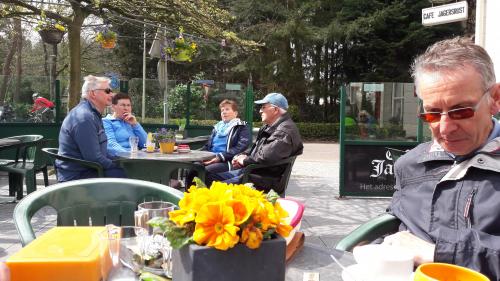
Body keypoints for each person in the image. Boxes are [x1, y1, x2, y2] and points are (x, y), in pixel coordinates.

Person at [383, 37, 500, 280]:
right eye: (432, 114)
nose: (445, 129)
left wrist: (439, 253)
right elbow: (398, 232)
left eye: (461, 111)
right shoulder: (409, 165)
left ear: (495, 99)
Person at [206, 92, 303, 194]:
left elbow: (266, 156)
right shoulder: (271, 127)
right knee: (208, 177)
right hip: (254, 173)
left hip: (262, 179)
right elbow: (256, 149)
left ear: (275, 110)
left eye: (263, 107)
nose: (260, 111)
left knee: (214, 186)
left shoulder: (283, 131)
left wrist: (245, 161)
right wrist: (241, 156)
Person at [56, 75, 126, 181]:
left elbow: (100, 153)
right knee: (130, 174)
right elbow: (94, 158)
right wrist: (118, 166)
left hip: (89, 170)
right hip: (78, 177)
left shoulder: (93, 115)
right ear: (93, 93)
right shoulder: (85, 118)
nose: (112, 94)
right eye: (107, 91)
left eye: (111, 91)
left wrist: (121, 161)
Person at [186, 99, 250, 187]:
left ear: (235, 113)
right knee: (194, 167)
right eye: (222, 110)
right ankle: (189, 196)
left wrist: (220, 157)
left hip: (228, 161)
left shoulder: (241, 126)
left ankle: (206, 196)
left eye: (227, 109)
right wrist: (196, 155)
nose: (224, 112)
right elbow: (208, 146)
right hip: (210, 157)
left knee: (205, 171)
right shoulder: (217, 127)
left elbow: (241, 146)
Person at [102, 92, 147, 156]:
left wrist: (135, 124)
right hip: (120, 160)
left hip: (137, 158)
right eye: (123, 105)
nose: (126, 108)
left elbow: (146, 144)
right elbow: (111, 146)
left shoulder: (131, 121)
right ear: (113, 107)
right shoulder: (106, 122)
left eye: (128, 105)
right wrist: (130, 154)